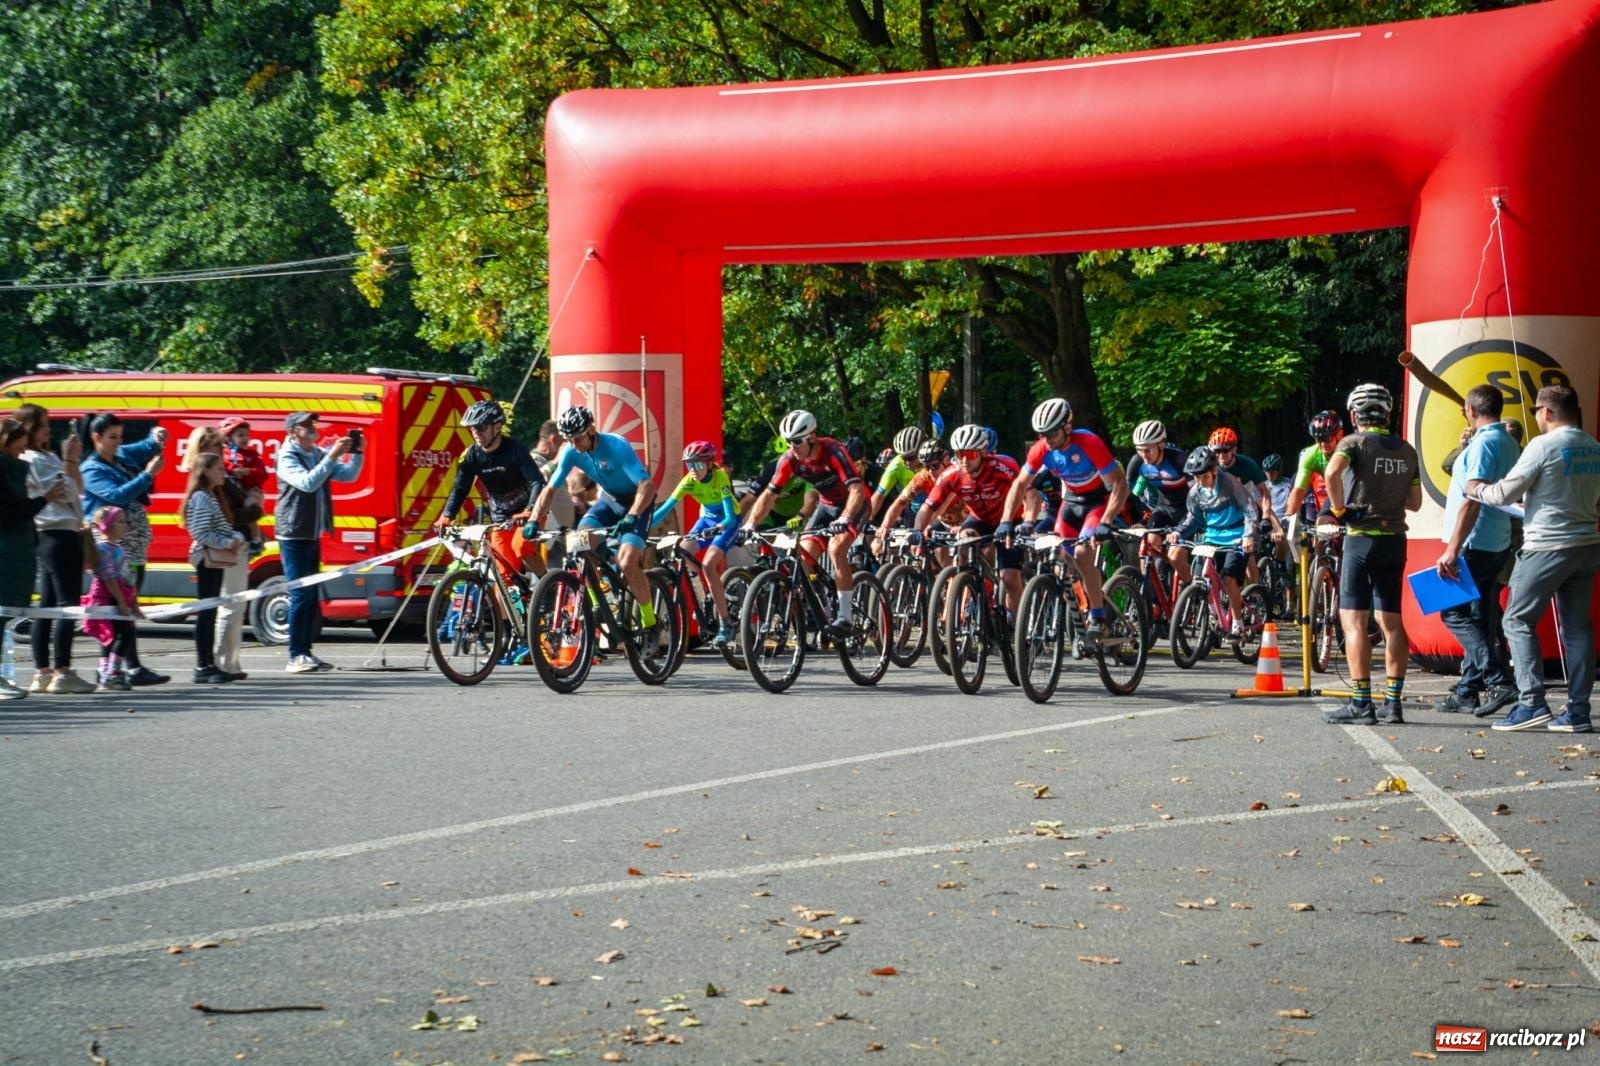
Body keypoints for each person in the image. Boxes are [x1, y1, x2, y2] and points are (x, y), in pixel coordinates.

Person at [1469, 385, 1600, 733]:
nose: (1536, 419)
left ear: (1548, 412)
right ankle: (1578, 712)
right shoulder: (1594, 446)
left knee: (1516, 620)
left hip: (1546, 546)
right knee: (1576, 629)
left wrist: (1475, 488)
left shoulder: (1542, 446)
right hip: (1586, 545)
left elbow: (1503, 492)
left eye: (1536, 412)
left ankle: (1531, 702)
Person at [1320, 383, 1420, 725]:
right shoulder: (1407, 450)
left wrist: (1341, 511)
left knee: (1354, 623)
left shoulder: (1353, 442)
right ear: (1388, 414)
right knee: (1391, 622)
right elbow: (1415, 503)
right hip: (1395, 540)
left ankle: (1361, 703)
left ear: (1354, 415)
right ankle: (1394, 704)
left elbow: (1332, 472)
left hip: (1361, 540)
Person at [527, 405, 661, 642]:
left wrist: (632, 515)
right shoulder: (571, 451)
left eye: (578, 438)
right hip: (610, 500)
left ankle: (650, 624)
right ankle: (601, 602)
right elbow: (550, 489)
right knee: (579, 544)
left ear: (591, 430)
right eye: (569, 440)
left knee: (628, 561)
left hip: (637, 501)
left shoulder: (617, 446)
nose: (575, 445)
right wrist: (534, 519)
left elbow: (647, 486)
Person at [998, 398, 1128, 638]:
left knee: (1081, 553)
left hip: (1097, 503)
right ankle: (1080, 608)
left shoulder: (1089, 442)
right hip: (1071, 504)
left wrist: (1107, 521)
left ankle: (1099, 617)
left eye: (1051, 433)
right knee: (1062, 558)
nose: (1046, 440)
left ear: (1067, 427)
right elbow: (1019, 485)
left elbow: (1120, 484)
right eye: (1041, 434)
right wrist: (1006, 520)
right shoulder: (1042, 449)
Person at [739, 410, 868, 639]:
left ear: (811, 437)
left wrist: (845, 518)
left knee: (836, 549)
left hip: (853, 504)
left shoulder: (834, 451)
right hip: (827, 506)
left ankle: (846, 616)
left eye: (797, 441)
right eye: (789, 442)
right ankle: (825, 606)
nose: (793, 447)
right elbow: (768, 495)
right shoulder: (789, 459)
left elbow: (856, 489)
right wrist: (749, 524)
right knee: (803, 556)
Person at [1432, 384, 1520, 718]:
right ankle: (1468, 690)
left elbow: (1473, 498)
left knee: (1452, 613)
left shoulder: (1485, 445)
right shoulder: (1509, 442)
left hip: (1474, 540)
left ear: (1470, 409)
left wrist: (1452, 548)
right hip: (1495, 540)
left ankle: (1497, 679)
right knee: (1480, 616)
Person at [276, 411, 364, 674]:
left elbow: (349, 476)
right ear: (293, 432)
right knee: (300, 594)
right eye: (306, 425)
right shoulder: (287, 456)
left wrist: (358, 452)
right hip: (292, 534)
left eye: (313, 424)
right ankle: (295, 655)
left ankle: (305, 652)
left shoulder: (316, 453)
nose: (312, 428)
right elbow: (307, 483)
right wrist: (331, 455)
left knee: (311, 596)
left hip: (311, 533)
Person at [17, 404, 95, 694]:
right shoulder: (33, 459)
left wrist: (70, 462)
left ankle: (44, 671)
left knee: (48, 605)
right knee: (67, 605)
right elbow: (67, 491)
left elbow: (78, 487)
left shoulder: (47, 456)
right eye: (42, 425)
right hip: (55, 532)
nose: (49, 430)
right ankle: (61, 670)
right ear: (28, 428)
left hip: (64, 530)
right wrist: (70, 460)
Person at [433, 400, 548, 581]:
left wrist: (529, 510)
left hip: (529, 510)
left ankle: (546, 586)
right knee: (503, 577)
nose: (476, 433)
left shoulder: (515, 449)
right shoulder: (471, 455)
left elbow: (537, 482)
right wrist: (447, 516)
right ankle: (516, 604)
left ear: (497, 426)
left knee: (521, 547)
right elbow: (460, 489)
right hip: (501, 516)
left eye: (481, 427)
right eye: (472, 429)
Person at [919, 423, 1025, 614]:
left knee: (1009, 579)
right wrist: (918, 530)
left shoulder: (1003, 467)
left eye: (970, 454)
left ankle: (1017, 628)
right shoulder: (952, 474)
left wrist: (1029, 521)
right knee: (964, 539)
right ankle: (972, 589)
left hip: (1009, 521)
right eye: (959, 455)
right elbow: (928, 507)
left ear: (983, 452)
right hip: (979, 519)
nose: (964, 461)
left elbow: (1030, 494)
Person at [2, 418, 74, 700]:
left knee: (4, 617)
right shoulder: (5, 472)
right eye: (19, 442)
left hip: (17, 551)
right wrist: (45, 498)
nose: (23, 450)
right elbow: (12, 513)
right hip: (7, 552)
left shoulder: (15, 470)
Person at [648, 440, 741, 647]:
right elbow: (666, 508)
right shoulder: (689, 480)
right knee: (681, 549)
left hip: (728, 520)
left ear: (709, 464)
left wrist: (719, 528)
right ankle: (704, 591)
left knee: (709, 564)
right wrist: (644, 524)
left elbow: (729, 518)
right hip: (706, 519)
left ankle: (726, 624)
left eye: (698, 465)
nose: (693, 470)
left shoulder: (720, 477)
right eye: (689, 465)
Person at [1166, 445, 1256, 631]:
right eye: (1196, 477)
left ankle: (1238, 623)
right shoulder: (1195, 492)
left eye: (1204, 476)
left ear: (1215, 471)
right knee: (1201, 580)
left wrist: (1248, 536)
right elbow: (1194, 519)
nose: (1200, 482)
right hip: (1211, 538)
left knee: (1229, 579)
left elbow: (1249, 508)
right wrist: (1179, 532)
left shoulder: (1229, 483)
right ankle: (1215, 614)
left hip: (1236, 538)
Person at [180, 452, 246, 684]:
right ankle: (202, 665)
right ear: (205, 471)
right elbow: (200, 532)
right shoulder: (201, 497)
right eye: (218, 468)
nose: (223, 472)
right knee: (206, 613)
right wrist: (227, 543)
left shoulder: (209, 495)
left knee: (210, 612)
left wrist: (234, 535)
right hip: (206, 559)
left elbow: (219, 527)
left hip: (214, 559)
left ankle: (208, 664)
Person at [81, 507, 144, 692]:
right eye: (121, 521)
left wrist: (134, 603)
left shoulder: (116, 548)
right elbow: (109, 578)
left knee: (113, 636)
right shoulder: (103, 549)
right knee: (123, 634)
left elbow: (127, 579)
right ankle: (112, 673)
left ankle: (105, 670)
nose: (125, 525)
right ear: (106, 526)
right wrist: (122, 603)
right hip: (108, 598)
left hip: (120, 597)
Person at [219, 416, 268, 554]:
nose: (245, 438)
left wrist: (249, 473)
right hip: (237, 491)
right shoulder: (224, 454)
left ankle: (256, 540)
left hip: (252, 490)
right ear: (228, 438)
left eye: (247, 435)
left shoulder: (252, 455)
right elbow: (221, 469)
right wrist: (232, 471)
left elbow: (262, 473)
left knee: (248, 510)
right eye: (240, 435)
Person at [869, 426, 925, 523]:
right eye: (904, 458)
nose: (907, 462)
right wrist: (867, 519)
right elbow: (879, 495)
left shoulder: (932, 464)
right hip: (913, 510)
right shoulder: (896, 465)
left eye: (911, 458)